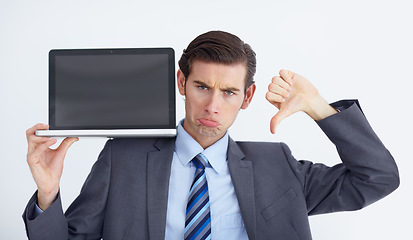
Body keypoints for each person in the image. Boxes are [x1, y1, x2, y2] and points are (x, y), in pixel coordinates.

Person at [23, 30, 399, 240]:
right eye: (202, 87)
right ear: (181, 83)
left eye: (230, 92)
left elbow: (377, 178)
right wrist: (48, 193)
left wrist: (318, 106)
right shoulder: (123, 158)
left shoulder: (278, 166)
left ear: (247, 97)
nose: (212, 107)